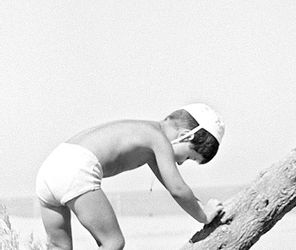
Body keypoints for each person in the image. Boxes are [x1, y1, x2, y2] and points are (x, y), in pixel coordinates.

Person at [35, 103, 226, 249]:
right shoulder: (158, 140)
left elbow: (174, 188)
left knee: (59, 247)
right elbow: (178, 189)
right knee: (113, 242)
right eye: (189, 156)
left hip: (50, 168)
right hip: (75, 168)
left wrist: (200, 204)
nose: (181, 163)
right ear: (186, 135)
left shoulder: (145, 133)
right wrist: (204, 215)